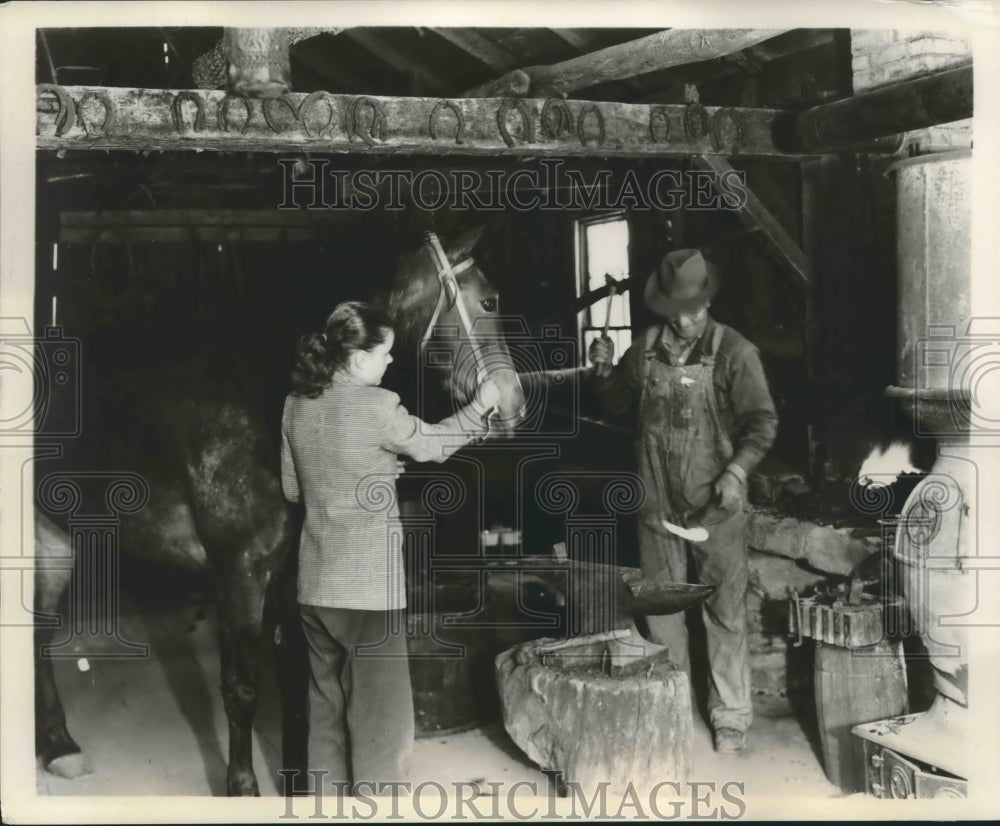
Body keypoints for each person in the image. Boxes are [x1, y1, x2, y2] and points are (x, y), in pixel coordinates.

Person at [280, 301, 500, 794]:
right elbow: (432, 445)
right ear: (359, 360)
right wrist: (479, 406)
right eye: (386, 353)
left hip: (315, 586)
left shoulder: (296, 404)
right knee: (382, 719)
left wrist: (373, 469)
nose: (391, 362)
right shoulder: (377, 406)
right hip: (368, 593)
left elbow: (294, 490)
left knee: (325, 708)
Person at [589, 248, 777, 753]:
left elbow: (763, 422)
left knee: (724, 612)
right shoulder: (645, 349)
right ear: (664, 308)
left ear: (709, 300)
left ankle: (730, 716)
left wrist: (736, 470)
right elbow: (615, 405)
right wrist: (603, 372)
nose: (690, 319)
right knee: (662, 609)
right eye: (680, 310)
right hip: (656, 507)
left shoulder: (735, 351)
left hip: (716, 507)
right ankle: (670, 707)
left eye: (698, 307)